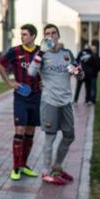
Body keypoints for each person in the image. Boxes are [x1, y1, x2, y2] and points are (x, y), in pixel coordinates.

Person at [28, 24, 83, 185]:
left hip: (66, 102)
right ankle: (46, 171)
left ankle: (57, 167)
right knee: (50, 138)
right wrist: (41, 52)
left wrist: (79, 73)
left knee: (69, 136)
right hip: (49, 102)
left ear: (58, 36)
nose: (51, 36)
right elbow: (31, 72)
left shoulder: (67, 53)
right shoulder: (42, 55)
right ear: (44, 37)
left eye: (53, 33)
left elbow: (78, 74)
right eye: (47, 34)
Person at [0, 24, 41, 181]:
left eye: (25, 34)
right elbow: (0, 65)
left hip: (36, 97)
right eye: (21, 34)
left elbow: (46, 70)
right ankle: (15, 168)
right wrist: (10, 83)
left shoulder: (40, 52)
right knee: (20, 130)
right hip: (21, 97)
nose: (22, 37)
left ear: (33, 36)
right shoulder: (15, 51)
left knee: (30, 132)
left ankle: (24, 165)